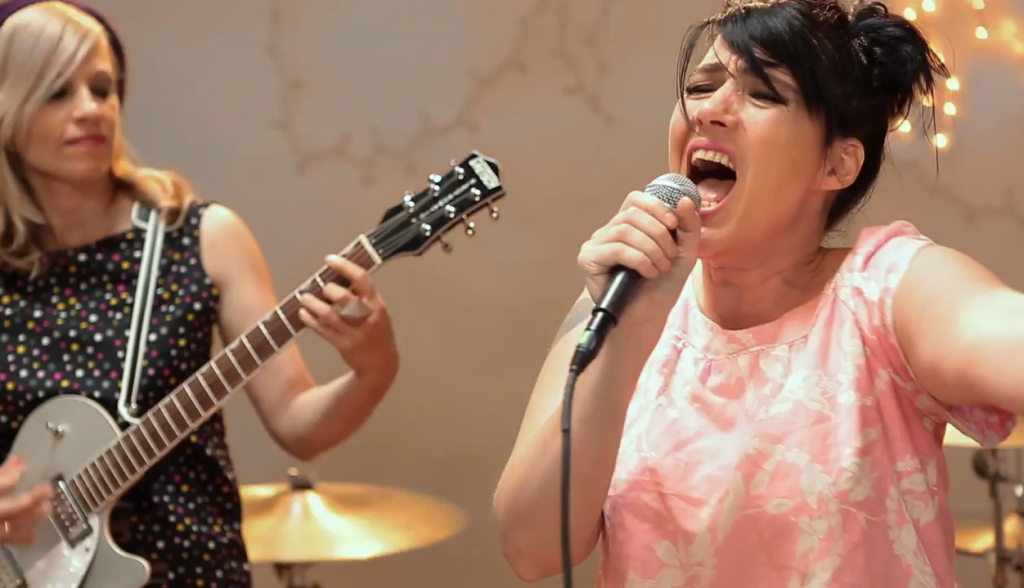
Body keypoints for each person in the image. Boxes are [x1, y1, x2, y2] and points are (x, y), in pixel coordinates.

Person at [494, 0, 1022, 585]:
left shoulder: (890, 289)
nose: (708, 111)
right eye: (700, 87)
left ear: (837, 164)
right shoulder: (616, 302)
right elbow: (532, 549)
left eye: (762, 94)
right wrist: (627, 337)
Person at [0, 1, 400, 586]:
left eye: (103, 88)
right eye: (57, 92)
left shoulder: (202, 237)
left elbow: (301, 426)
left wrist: (374, 368)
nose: (91, 108)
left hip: (194, 571)